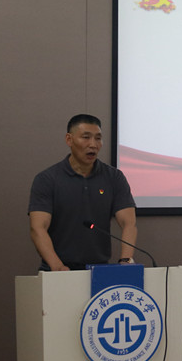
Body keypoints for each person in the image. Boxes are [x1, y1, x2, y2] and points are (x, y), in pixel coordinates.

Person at [28, 114, 137, 271]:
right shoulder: (47, 179)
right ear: (69, 139)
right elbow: (38, 228)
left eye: (98, 138)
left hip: (99, 270)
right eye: (86, 137)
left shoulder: (114, 178)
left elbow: (129, 223)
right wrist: (58, 266)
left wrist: (125, 260)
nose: (93, 144)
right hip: (57, 270)